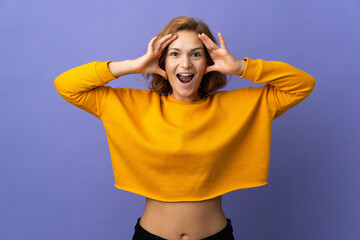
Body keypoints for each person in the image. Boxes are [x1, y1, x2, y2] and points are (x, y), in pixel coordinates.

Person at [54, 16, 316, 240]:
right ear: (162, 61)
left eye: (196, 54)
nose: (186, 64)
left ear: (208, 62)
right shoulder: (129, 105)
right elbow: (66, 85)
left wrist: (241, 67)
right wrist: (132, 65)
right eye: (175, 54)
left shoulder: (241, 106)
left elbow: (302, 84)